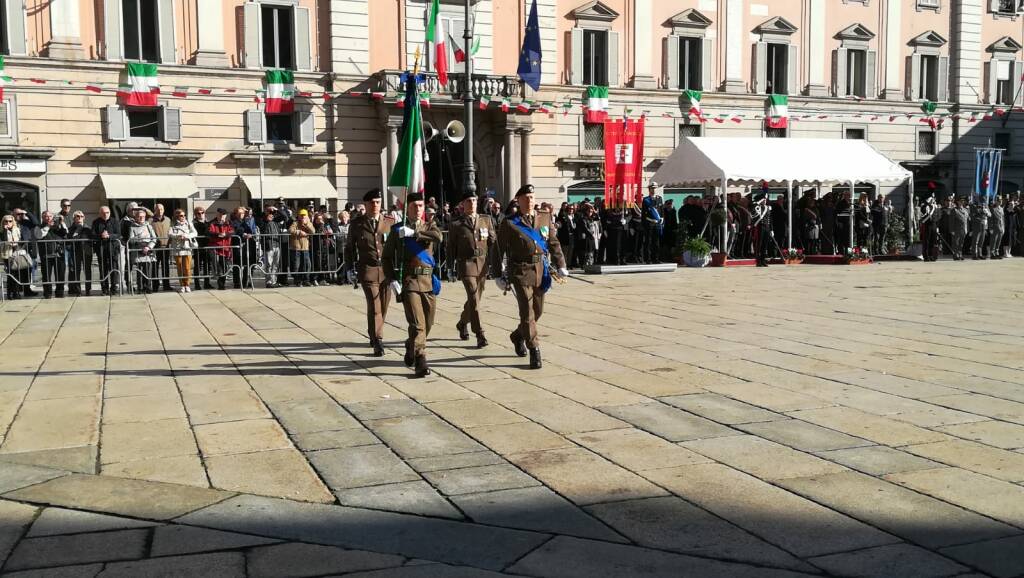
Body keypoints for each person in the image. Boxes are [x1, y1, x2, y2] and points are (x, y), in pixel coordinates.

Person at [496, 184, 568, 370]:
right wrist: (498, 274)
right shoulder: (510, 223)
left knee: (537, 311)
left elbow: (553, 242)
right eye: (525, 198)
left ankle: (518, 335)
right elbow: (498, 250)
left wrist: (561, 265)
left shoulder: (544, 218)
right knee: (527, 313)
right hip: (520, 271)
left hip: (540, 270)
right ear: (518, 201)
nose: (529, 201)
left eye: (532, 197)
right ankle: (534, 349)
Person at [382, 192, 442, 377]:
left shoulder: (429, 226)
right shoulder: (398, 230)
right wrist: (392, 278)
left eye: (421, 206)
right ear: (407, 208)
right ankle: (420, 359)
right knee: (418, 324)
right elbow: (386, 257)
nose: (418, 209)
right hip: (409, 282)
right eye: (414, 206)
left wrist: (415, 233)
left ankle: (411, 344)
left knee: (428, 323)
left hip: (428, 282)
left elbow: (438, 237)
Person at [344, 189, 393, 357]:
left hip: (386, 271)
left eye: (378, 202)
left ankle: (373, 331)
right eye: (372, 203)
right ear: (366, 204)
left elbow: (396, 248)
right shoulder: (357, 224)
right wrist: (349, 268)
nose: (375, 205)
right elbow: (349, 248)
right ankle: (378, 340)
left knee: (383, 307)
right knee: (375, 306)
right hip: (368, 270)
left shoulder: (389, 222)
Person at [448, 191, 496, 348]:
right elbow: (451, 247)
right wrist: (450, 267)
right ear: (463, 204)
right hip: (466, 263)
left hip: (482, 264)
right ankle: (480, 333)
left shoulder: (486, 220)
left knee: (475, 299)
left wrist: (492, 237)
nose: (472, 203)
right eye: (468, 200)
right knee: (474, 298)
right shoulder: (456, 224)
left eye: (474, 200)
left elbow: (493, 241)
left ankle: (462, 322)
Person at [91, 206, 121, 296]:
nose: (105, 214)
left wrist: (109, 236)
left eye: (107, 212)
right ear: (100, 213)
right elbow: (92, 235)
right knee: (103, 270)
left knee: (114, 269)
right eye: (103, 213)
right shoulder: (96, 222)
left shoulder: (115, 221)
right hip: (101, 249)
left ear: (110, 213)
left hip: (113, 249)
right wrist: (101, 236)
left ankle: (114, 288)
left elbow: (119, 234)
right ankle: (104, 288)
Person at [127, 208, 157, 293]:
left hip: (147, 250)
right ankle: (140, 288)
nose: (141, 218)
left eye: (143, 217)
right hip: (138, 250)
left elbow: (154, 238)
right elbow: (131, 239)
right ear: (136, 217)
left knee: (147, 270)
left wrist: (148, 247)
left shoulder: (149, 226)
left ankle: (148, 287)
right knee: (139, 271)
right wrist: (139, 238)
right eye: (139, 217)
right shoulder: (132, 227)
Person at [167, 209, 197, 293]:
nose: (183, 217)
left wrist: (187, 236)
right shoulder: (173, 224)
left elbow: (195, 233)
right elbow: (169, 234)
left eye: (184, 215)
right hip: (177, 248)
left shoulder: (189, 224)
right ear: (177, 216)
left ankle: (187, 284)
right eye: (181, 215)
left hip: (187, 248)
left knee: (187, 268)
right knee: (179, 268)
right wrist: (178, 236)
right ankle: (182, 285)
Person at [66, 211, 93, 296]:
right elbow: (70, 239)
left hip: (87, 252)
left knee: (87, 271)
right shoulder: (70, 229)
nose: (80, 218)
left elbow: (92, 238)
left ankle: (88, 290)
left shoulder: (87, 228)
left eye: (82, 216)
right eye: (77, 216)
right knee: (76, 271)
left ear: (84, 218)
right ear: (74, 218)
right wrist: (78, 229)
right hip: (75, 252)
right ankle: (78, 291)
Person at [207, 208, 234, 289]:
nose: (222, 217)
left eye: (223, 215)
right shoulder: (212, 223)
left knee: (224, 266)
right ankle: (220, 282)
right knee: (218, 266)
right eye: (220, 215)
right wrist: (218, 234)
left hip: (225, 248)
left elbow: (233, 231)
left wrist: (225, 234)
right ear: (217, 214)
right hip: (215, 247)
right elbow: (209, 232)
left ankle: (222, 284)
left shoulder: (229, 223)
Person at [230, 207, 257, 289]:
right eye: (240, 213)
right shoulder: (233, 221)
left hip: (246, 245)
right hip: (238, 245)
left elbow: (250, 230)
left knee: (246, 264)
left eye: (242, 213)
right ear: (236, 214)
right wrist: (243, 234)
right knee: (237, 264)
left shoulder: (245, 221)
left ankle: (245, 282)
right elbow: (236, 230)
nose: (242, 215)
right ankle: (237, 282)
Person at [288, 209, 315, 287]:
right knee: (297, 265)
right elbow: (290, 230)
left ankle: (306, 280)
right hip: (296, 248)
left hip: (305, 248)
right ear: (299, 216)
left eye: (304, 215)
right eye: (301, 215)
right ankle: (297, 280)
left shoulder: (309, 223)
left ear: (307, 216)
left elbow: (313, 231)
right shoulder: (295, 223)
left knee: (307, 265)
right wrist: (299, 232)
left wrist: (306, 224)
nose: (303, 217)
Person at [1, 214, 25, 299]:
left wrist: (16, 244)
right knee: (10, 275)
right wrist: (5, 230)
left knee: (17, 274)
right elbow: (4, 240)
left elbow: (21, 240)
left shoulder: (17, 230)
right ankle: (9, 293)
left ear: (13, 222)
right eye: (6, 221)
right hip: (7, 255)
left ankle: (16, 293)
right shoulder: (2, 231)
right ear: (3, 222)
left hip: (16, 254)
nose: (8, 222)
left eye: (10, 221)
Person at [258, 206, 283, 287]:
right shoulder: (262, 220)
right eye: (269, 212)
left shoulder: (275, 220)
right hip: (269, 245)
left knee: (276, 264)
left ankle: (274, 281)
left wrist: (277, 209)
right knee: (269, 264)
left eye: (272, 212)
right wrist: (266, 217)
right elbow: (260, 223)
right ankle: (268, 282)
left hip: (277, 244)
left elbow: (285, 217)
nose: (271, 214)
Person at [150, 204, 172, 291]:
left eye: (162, 209)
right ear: (155, 210)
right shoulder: (150, 221)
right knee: (154, 267)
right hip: (155, 248)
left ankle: (166, 285)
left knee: (165, 266)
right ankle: (155, 286)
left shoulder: (168, 220)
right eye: (158, 209)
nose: (160, 211)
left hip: (166, 247)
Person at [556, 203, 578, 269]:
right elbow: (560, 224)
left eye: (572, 209)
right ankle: (564, 265)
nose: (571, 210)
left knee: (570, 252)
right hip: (565, 236)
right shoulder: (563, 216)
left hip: (572, 236)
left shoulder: (574, 217)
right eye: (570, 209)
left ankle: (569, 264)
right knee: (565, 252)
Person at [919, 196, 939, 261]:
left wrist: (937, 226)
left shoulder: (935, 207)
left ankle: (931, 255)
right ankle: (926, 256)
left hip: (933, 225)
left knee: (933, 241)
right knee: (926, 241)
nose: (932, 200)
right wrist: (928, 205)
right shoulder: (924, 206)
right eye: (931, 199)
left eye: (933, 199)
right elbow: (924, 214)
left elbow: (937, 217)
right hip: (927, 225)